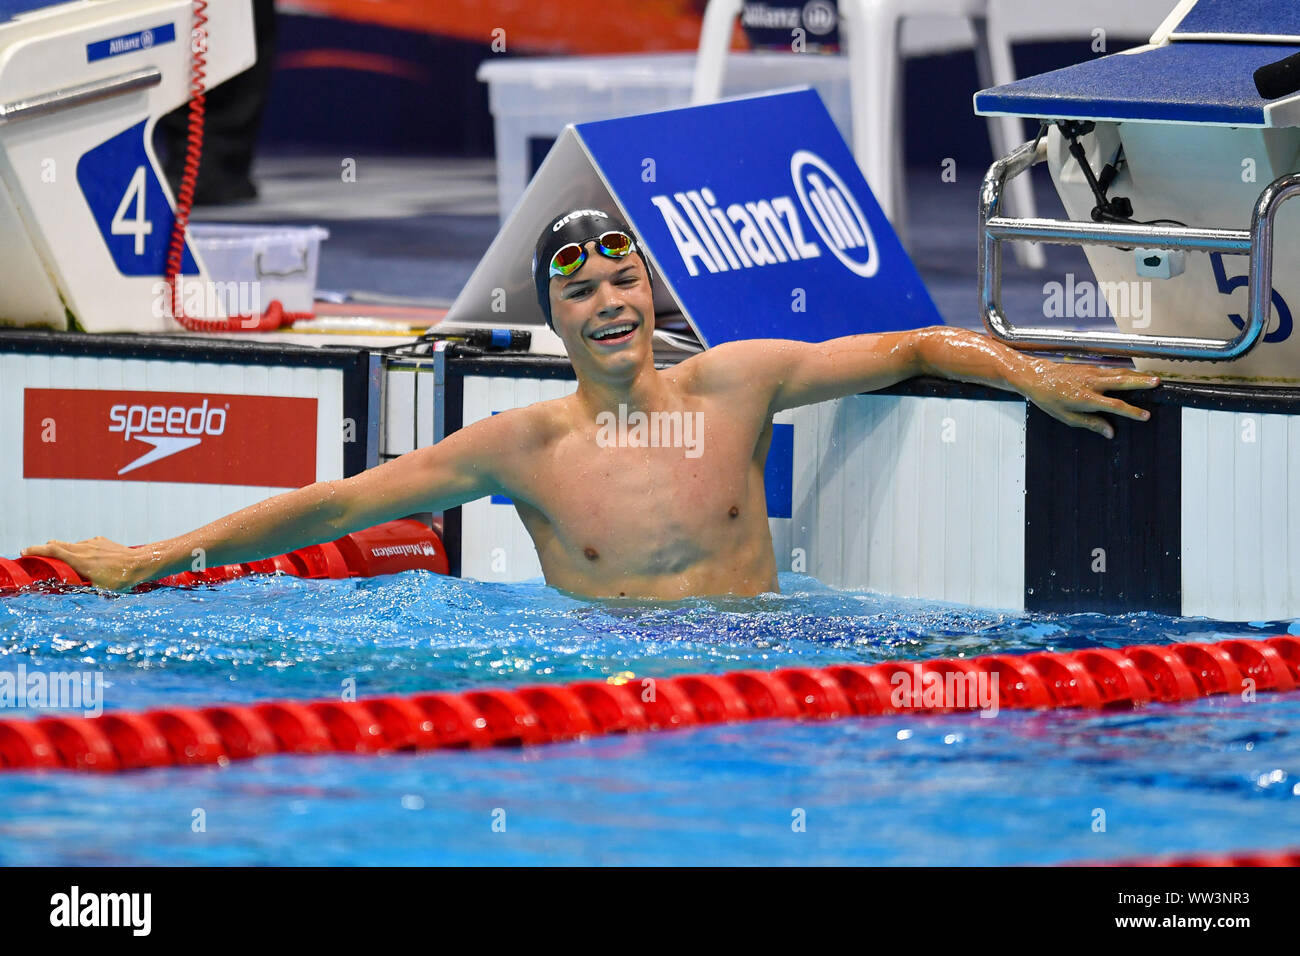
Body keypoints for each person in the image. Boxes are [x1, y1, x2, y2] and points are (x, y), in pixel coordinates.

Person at [25, 209, 1159, 600]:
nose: (611, 305)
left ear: (650, 290)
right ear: (555, 322)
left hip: (777, 674)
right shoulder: (520, 447)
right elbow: (335, 501)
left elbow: (910, 340)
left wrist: (1030, 369)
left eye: (625, 282)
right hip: (613, 702)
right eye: (583, 291)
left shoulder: (739, 379)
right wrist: (150, 557)